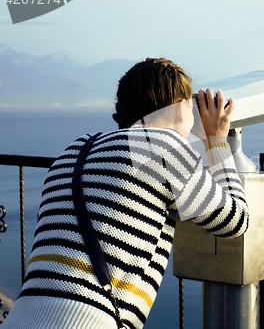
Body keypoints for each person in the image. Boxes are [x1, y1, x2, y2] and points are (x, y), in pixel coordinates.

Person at [1, 58, 249, 329]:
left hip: (19, 318)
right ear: (180, 108)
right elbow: (236, 220)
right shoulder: (164, 148)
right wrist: (217, 143)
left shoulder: (75, 149)